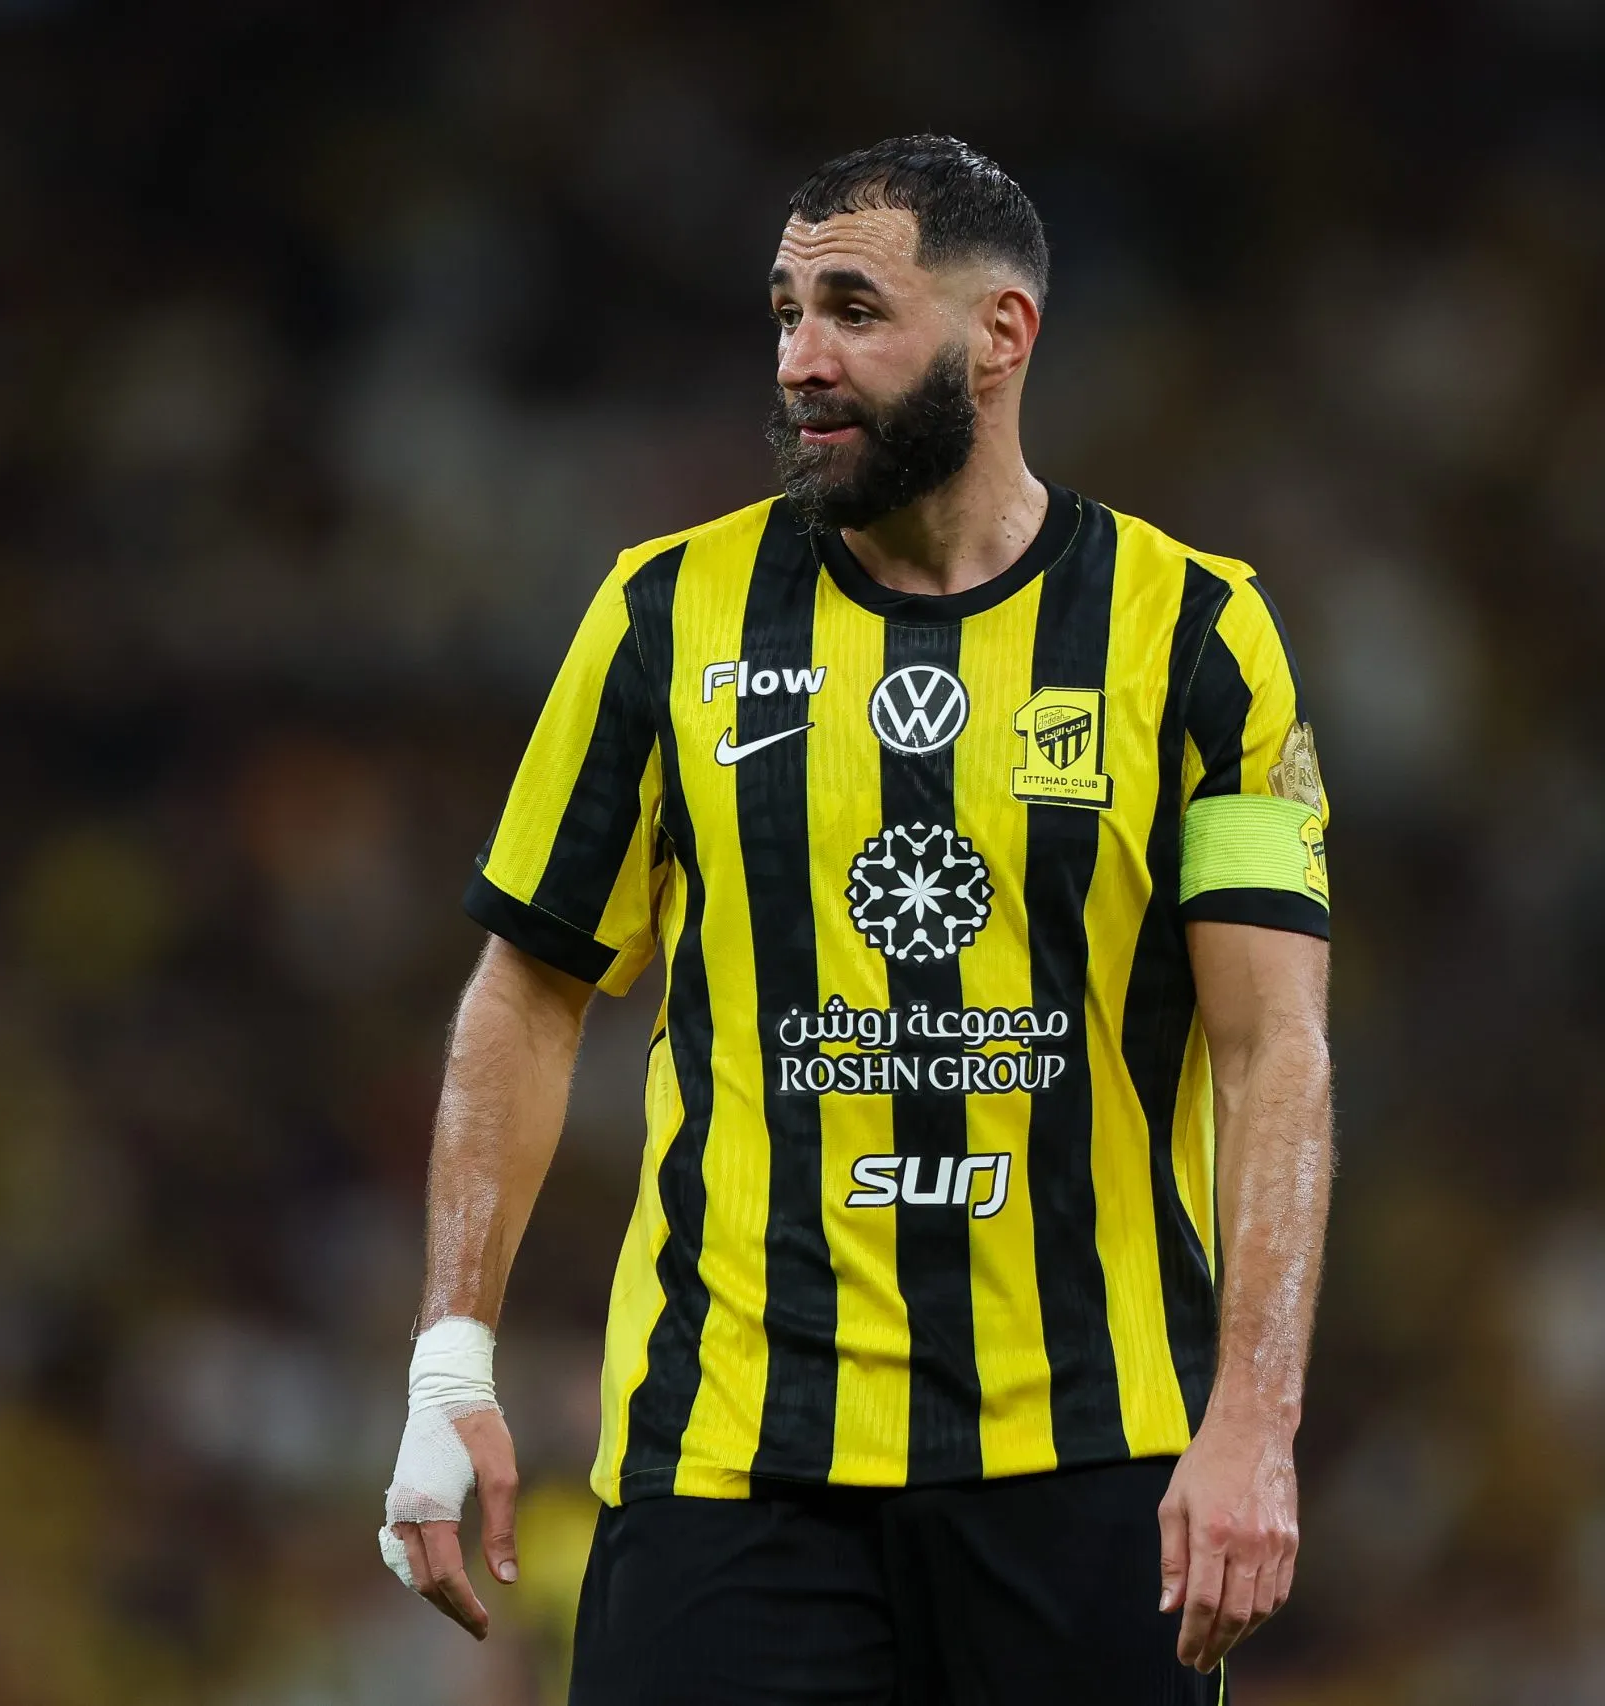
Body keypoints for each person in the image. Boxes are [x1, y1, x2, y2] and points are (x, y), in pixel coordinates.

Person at [380, 135, 1336, 1703]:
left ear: (1000, 335)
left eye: (851, 309)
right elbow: (528, 991)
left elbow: (1273, 1048)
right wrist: (448, 1362)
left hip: (1091, 1451)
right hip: (732, 1456)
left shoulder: (1198, 633)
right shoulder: (659, 616)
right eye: (782, 311)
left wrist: (1256, 1414)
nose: (800, 360)